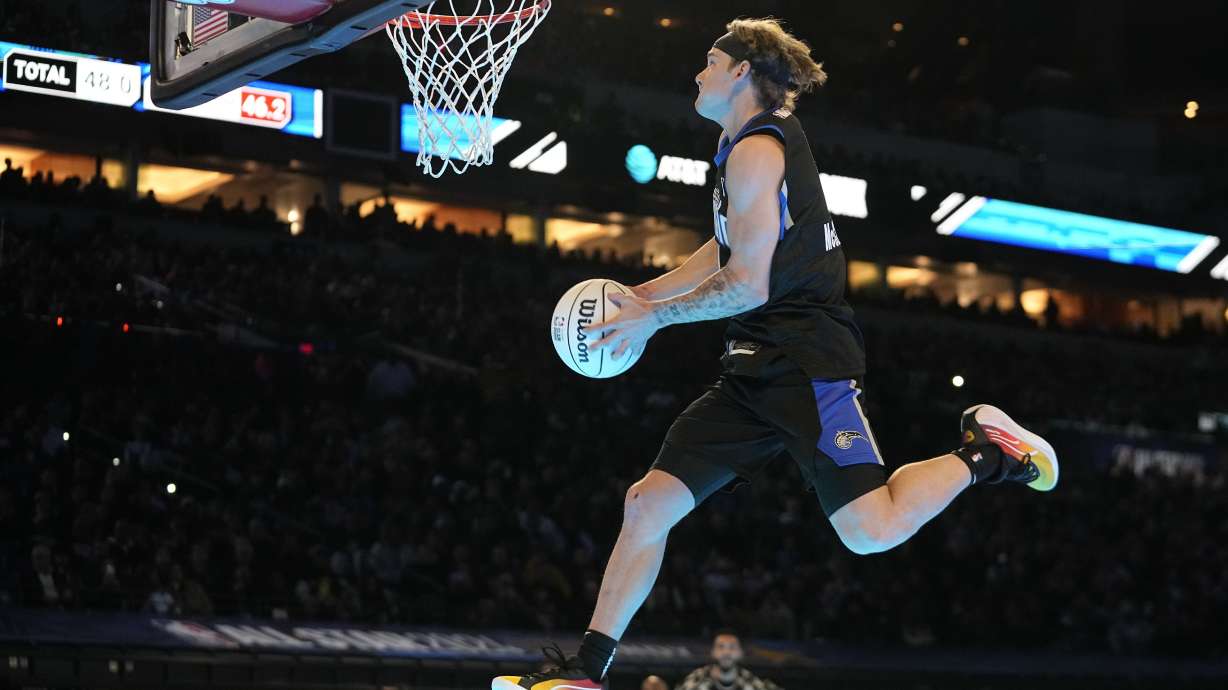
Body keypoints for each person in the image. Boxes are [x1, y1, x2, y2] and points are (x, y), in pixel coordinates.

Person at [492, 16, 1058, 690]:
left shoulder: (758, 152)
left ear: (742, 72)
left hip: (807, 361)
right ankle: (586, 671)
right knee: (647, 504)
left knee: (869, 531)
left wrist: (655, 321)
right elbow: (725, 248)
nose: (698, 71)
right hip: (752, 363)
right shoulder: (739, 148)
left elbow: (746, 282)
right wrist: (640, 297)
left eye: (710, 59)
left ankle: (988, 452)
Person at [676, 632, 780, 690]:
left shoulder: (751, 682)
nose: (726, 653)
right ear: (712, 652)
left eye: (732, 647)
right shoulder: (697, 679)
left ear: (740, 653)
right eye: (721, 647)